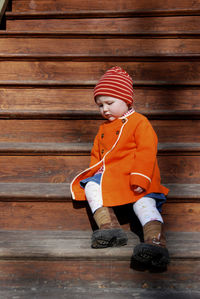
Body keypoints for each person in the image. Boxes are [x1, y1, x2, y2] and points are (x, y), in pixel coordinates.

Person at [70, 66, 170, 269]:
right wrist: (94, 174)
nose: (104, 109)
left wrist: (141, 178)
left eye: (110, 103)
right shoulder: (103, 129)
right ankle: (109, 228)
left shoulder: (139, 122)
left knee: (144, 205)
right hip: (111, 176)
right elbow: (96, 156)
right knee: (89, 186)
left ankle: (155, 241)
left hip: (137, 175)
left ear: (127, 100)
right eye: (100, 105)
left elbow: (146, 150)